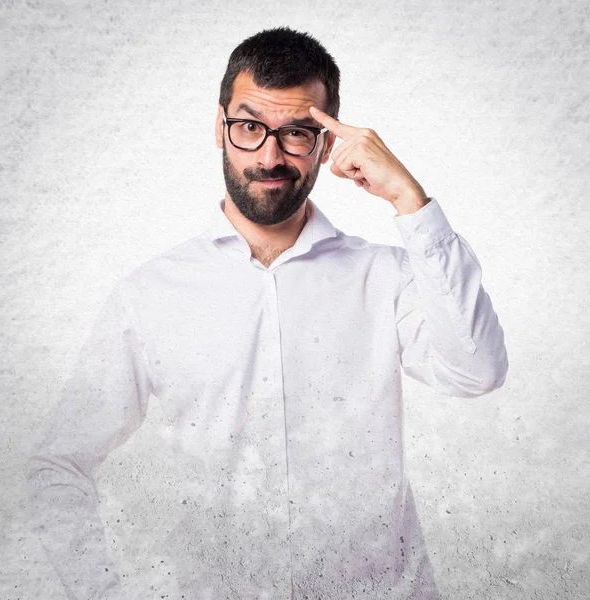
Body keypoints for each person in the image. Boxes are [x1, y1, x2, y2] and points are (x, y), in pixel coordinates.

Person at [27, 27, 508, 600]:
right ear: (220, 127)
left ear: (328, 144)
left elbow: (477, 372)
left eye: (297, 134)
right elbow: (59, 464)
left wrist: (411, 201)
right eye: (250, 127)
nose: (270, 157)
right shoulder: (151, 294)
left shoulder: (387, 276)